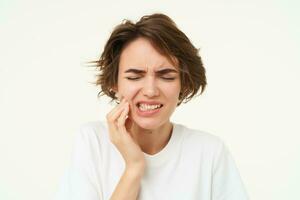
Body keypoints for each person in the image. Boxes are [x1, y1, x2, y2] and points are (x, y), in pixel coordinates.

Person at [54, 13, 249, 200]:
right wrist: (134, 168)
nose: (150, 90)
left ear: (184, 83)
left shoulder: (209, 151)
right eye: (134, 77)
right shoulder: (93, 142)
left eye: (166, 76)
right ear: (115, 84)